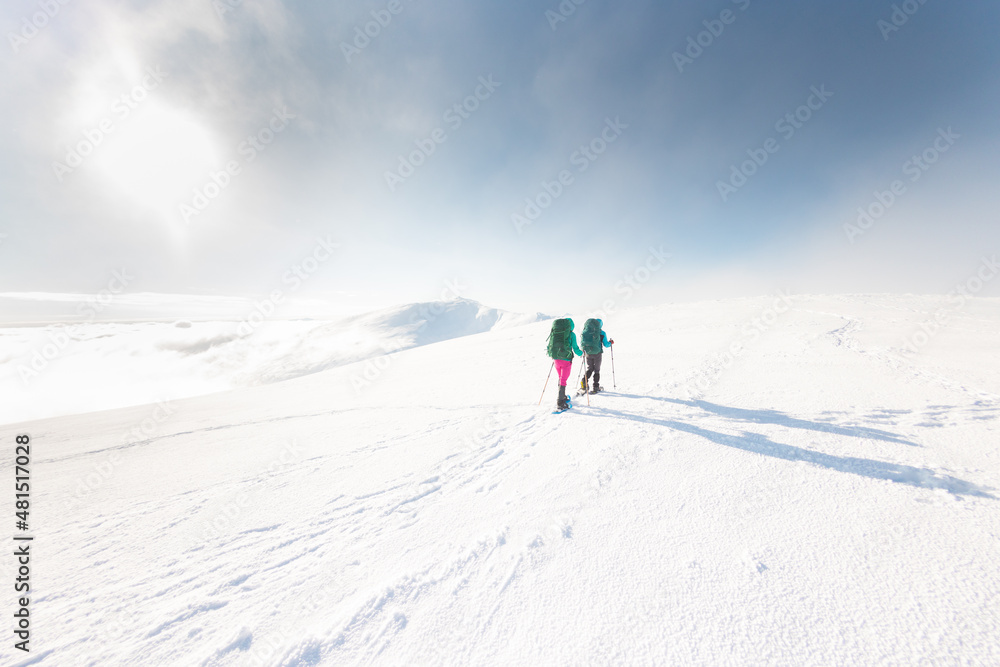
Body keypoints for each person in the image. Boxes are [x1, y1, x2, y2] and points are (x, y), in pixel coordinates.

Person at [546, 318, 584, 410]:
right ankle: (560, 403)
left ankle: (562, 397)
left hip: (556, 359)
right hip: (566, 359)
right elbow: (575, 348)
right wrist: (581, 353)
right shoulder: (571, 334)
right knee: (563, 379)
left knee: (561, 378)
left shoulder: (555, 333)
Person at [579, 318, 613, 394]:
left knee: (590, 368)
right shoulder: (602, 333)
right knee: (597, 370)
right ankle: (596, 387)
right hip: (597, 353)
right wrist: (610, 343)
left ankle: (584, 382)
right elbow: (606, 345)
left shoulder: (586, 332)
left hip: (588, 352)